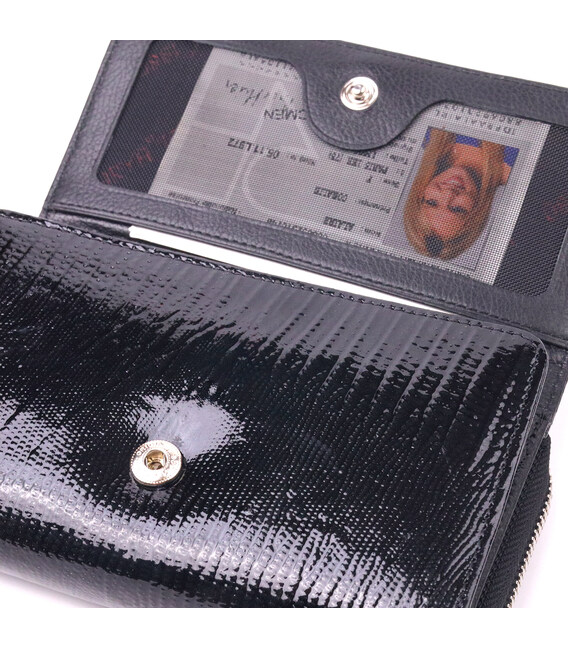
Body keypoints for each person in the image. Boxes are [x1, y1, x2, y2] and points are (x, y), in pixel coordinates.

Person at [403, 129, 516, 260]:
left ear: (419, 195)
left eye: (432, 202)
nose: (448, 193)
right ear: (478, 211)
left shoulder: (431, 140)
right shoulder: (518, 166)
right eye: (457, 209)